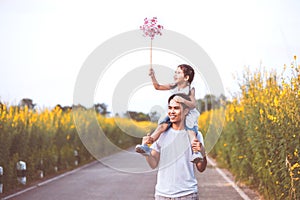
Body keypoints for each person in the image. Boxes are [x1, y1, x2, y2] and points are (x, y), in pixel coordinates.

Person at [141, 93, 207, 199]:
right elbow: (153, 164)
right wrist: (146, 153)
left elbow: (201, 168)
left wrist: (202, 152)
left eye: (176, 108)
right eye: (170, 108)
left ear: (186, 111)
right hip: (162, 195)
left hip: (187, 194)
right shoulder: (161, 134)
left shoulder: (195, 135)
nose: (171, 112)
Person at [136, 64, 202, 162]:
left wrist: (183, 100)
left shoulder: (190, 89)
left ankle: (196, 153)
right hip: (174, 112)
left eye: (178, 73)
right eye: (175, 72)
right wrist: (152, 76)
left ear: (186, 77)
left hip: (188, 113)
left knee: (191, 131)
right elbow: (157, 86)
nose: (175, 74)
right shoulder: (173, 86)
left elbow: (193, 104)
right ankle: (146, 145)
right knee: (161, 126)